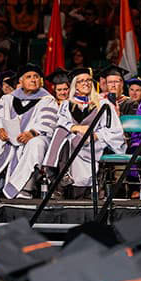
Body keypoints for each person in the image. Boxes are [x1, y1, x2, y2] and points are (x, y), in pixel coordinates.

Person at [0, 64, 58, 199]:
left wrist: (32, 133)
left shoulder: (47, 100)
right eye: (29, 77)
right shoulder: (8, 98)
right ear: (20, 81)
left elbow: (48, 121)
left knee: (36, 144)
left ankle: (25, 187)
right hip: (9, 138)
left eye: (36, 77)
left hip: (34, 137)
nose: (33, 80)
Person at [42, 67, 126, 196]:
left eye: (88, 80)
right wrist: (77, 128)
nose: (86, 83)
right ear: (75, 86)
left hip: (95, 141)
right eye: (81, 81)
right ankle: (62, 177)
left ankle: (60, 181)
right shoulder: (67, 104)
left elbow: (114, 130)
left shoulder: (103, 104)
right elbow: (61, 122)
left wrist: (96, 135)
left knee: (72, 141)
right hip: (73, 140)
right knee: (63, 134)